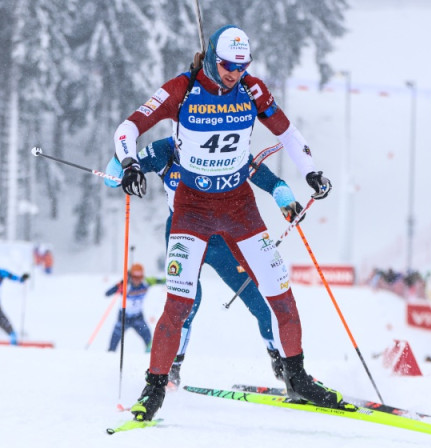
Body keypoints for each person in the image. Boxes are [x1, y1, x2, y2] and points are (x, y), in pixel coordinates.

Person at [112, 25, 344, 422]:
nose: (235, 74)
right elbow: (128, 128)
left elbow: (288, 133)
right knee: (179, 304)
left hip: (240, 208)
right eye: (227, 66)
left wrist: (311, 172)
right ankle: (155, 387)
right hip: (192, 209)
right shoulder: (182, 89)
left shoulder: (252, 90)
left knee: (280, 294)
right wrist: (130, 163)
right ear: (210, 59)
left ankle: (297, 377)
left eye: (242, 66)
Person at [105, 136, 300, 387]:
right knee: (186, 303)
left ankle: (283, 365)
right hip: (184, 234)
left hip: (223, 238)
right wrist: (121, 155)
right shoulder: (163, 150)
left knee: (259, 302)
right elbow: (115, 177)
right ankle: (171, 369)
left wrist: (282, 195)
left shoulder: (219, 142)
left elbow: (262, 175)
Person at [104, 263, 165, 352]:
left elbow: (162, 280)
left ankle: (149, 355)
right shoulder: (126, 285)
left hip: (138, 317)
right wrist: (120, 284)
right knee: (113, 343)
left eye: (139, 278)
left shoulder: (147, 282)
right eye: (135, 277)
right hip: (123, 317)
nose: (137, 280)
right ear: (131, 276)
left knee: (149, 339)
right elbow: (108, 293)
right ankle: (110, 354)